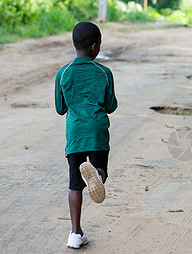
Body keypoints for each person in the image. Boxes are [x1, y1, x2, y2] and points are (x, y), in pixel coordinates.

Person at [55, 21, 118, 249]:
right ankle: (98, 175)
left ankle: (75, 233)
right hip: (97, 131)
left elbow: (61, 108)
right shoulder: (104, 72)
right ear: (94, 47)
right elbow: (111, 105)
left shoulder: (63, 73)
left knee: (74, 185)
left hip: (75, 134)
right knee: (100, 170)